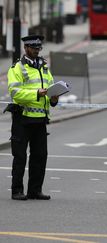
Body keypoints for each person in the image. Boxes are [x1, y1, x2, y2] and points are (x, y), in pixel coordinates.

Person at [6, 35, 59, 200]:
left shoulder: (44, 67)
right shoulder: (17, 68)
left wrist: (54, 98)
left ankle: (35, 190)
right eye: (34, 48)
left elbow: (50, 87)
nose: (37, 50)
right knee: (20, 156)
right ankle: (17, 191)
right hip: (22, 118)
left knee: (40, 155)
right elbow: (15, 93)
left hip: (40, 119)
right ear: (26, 48)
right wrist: (36, 93)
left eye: (39, 48)